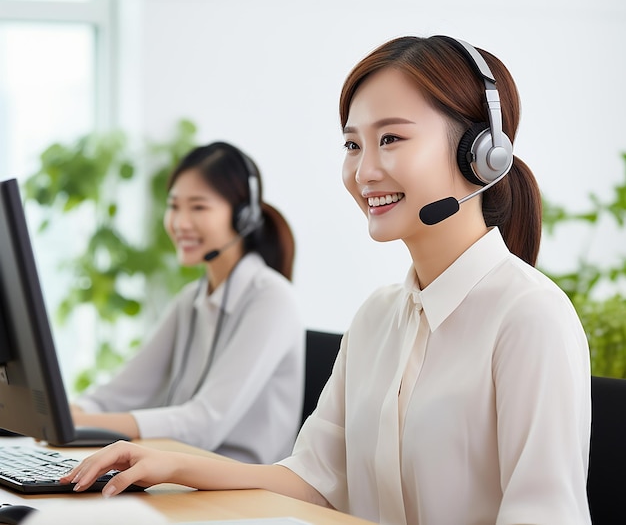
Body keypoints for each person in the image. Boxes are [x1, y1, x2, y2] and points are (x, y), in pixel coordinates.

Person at [64, 36, 592, 524]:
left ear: (481, 154)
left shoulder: (529, 317)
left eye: (390, 138)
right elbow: (312, 478)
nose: (363, 172)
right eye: (352, 145)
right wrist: (172, 466)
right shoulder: (378, 317)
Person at [70, 141, 305, 464]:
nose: (180, 222)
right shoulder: (190, 301)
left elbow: (205, 424)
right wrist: (72, 411)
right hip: (180, 475)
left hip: (246, 494)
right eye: (174, 206)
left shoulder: (272, 299)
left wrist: (84, 424)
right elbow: (120, 393)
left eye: (198, 207)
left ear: (243, 217)